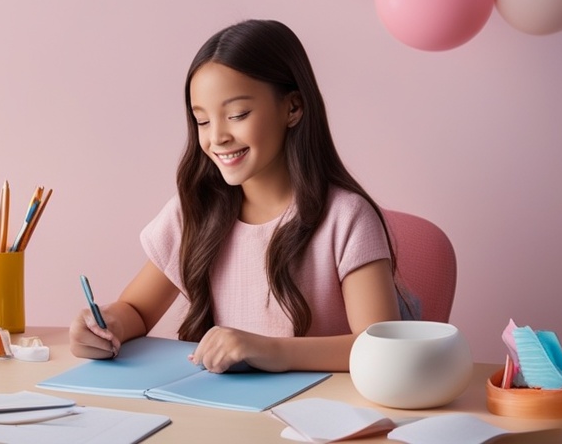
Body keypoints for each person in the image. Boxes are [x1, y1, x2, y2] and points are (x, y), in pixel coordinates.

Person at [69, 19, 413, 373]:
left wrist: (271, 352)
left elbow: (379, 347)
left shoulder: (346, 218)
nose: (217, 137)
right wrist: (105, 326)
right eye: (202, 121)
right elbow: (137, 311)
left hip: (315, 417)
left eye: (237, 115)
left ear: (293, 107)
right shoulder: (194, 212)